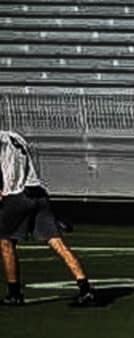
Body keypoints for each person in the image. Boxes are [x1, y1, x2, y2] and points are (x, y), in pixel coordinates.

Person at [0, 128, 98, 306]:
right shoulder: (16, 136)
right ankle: (85, 288)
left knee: (6, 242)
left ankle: (14, 293)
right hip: (38, 192)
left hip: (17, 195)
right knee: (57, 243)